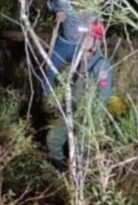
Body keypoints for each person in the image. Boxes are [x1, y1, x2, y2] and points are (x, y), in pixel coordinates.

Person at [45, 20, 114, 169]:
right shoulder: (77, 60)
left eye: (88, 38)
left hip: (88, 114)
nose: (83, 41)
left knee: (80, 148)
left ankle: (79, 176)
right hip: (72, 109)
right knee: (53, 139)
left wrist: (91, 120)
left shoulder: (101, 65)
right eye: (82, 37)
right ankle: (61, 170)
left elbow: (104, 96)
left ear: (96, 42)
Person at [43, 0, 96, 95]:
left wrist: (91, 50)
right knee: (50, 72)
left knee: (80, 76)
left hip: (79, 47)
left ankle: (73, 102)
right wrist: (59, 10)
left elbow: (98, 32)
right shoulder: (66, 2)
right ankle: (44, 100)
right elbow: (50, 3)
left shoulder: (91, 11)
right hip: (62, 45)